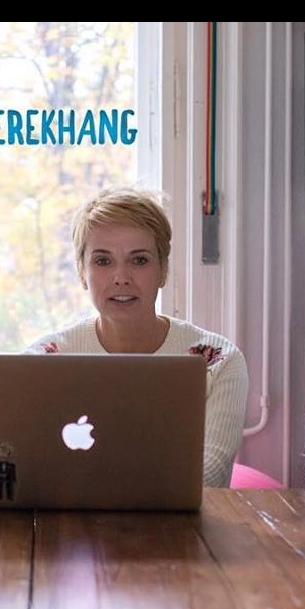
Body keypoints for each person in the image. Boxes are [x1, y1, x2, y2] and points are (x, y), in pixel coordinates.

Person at [26, 187, 249, 488]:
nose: (121, 277)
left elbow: (210, 476)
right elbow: (27, 467)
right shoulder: (41, 360)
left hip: (180, 519)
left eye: (139, 260)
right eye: (103, 261)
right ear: (81, 272)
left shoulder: (219, 362)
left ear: (163, 270)